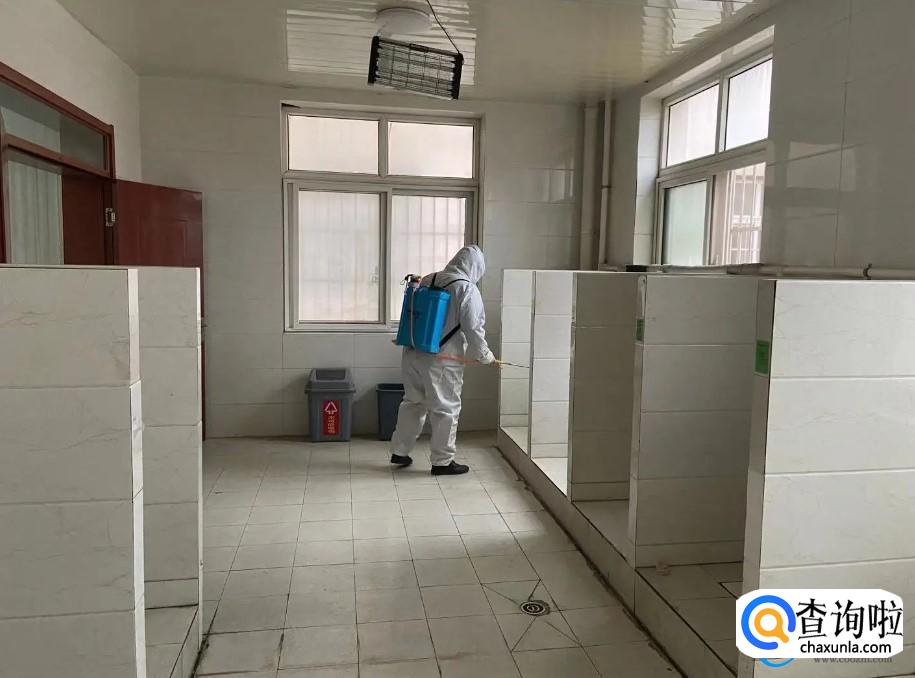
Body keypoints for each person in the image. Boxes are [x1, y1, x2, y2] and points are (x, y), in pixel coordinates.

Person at [389, 245, 495, 475]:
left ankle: (399, 450)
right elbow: (474, 329)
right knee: (445, 408)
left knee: (412, 402)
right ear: (476, 267)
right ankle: (442, 462)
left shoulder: (428, 279)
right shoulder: (466, 288)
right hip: (441, 359)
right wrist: (485, 356)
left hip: (412, 351)